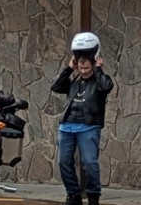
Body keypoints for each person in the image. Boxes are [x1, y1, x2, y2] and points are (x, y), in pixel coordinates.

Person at [51, 32, 114, 205]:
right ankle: (73, 195)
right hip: (67, 126)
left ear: (93, 65)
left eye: (87, 68)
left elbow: (107, 86)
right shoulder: (74, 79)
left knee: (90, 162)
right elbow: (56, 86)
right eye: (81, 68)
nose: (84, 71)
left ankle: (93, 195)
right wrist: (69, 69)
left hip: (89, 126)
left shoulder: (100, 81)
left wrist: (99, 68)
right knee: (63, 161)